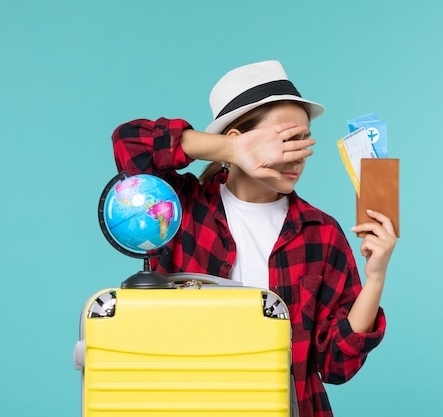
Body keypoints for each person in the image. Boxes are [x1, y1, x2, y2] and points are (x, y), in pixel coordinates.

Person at [111, 60, 396, 417]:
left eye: (303, 140)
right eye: (283, 141)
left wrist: (376, 277)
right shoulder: (181, 207)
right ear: (236, 139)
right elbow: (129, 142)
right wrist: (232, 151)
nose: (296, 155)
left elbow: (336, 365)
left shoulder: (321, 234)